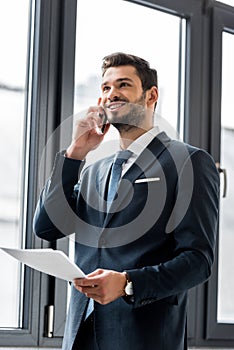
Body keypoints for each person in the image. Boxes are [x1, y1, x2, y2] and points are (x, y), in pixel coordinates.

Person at [33, 52, 220, 350]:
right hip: (80, 335)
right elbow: (46, 228)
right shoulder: (94, 169)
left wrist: (127, 282)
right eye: (105, 88)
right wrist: (74, 154)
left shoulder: (190, 162)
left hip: (143, 338)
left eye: (123, 84)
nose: (111, 94)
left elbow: (198, 261)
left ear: (151, 95)